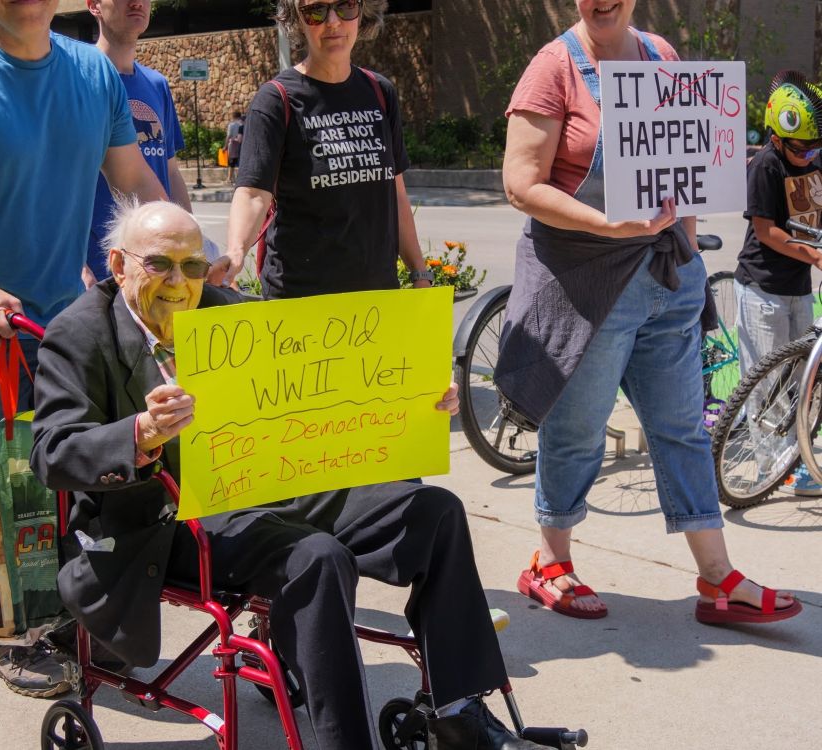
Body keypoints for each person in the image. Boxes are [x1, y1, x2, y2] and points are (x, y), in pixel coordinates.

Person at [30, 199, 552, 750]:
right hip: (169, 519)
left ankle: (458, 711)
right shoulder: (81, 334)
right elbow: (53, 451)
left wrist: (418, 399)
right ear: (119, 265)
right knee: (317, 557)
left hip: (271, 486)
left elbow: (324, 386)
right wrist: (139, 433)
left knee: (435, 513)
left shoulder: (224, 307)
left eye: (192, 266)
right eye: (159, 264)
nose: (179, 282)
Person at [0, 0, 168, 698]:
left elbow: (132, 178)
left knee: (79, 471)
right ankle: (6, 633)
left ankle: (76, 614)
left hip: (62, 321)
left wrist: (185, 251)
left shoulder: (90, 74)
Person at [497, 0, 802, 625]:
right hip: (587, 284)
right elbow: (520, 184)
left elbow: (684, 167)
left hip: (666, 277)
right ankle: (549, 563)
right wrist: (608, 225)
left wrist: (688, 258)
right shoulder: (553, 68)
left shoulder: (661, 56)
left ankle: (717, 578)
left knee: (682, 427)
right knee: (577, 430)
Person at [214, 0, 433, 297]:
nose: (333, 22)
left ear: (361, 12)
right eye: (316, 11)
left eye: (345, 7)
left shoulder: (380, 92)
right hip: (301, 300)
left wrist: (418, 271)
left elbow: (395, 193)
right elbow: (254, 192)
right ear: (298, 21)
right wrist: (236, 252)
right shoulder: (276, 100)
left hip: (377, 296)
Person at [734, 70, 822, 496]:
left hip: (799, 288)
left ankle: (796, 455)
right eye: (801, 148)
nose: (808, 155)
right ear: (776, 136)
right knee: (765, 380)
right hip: (762, 287)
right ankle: (774, 467)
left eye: (815, 147)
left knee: (798, 379)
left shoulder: (815, 160)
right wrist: (816, 254)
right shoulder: (766, 166)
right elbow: (767, 232)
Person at [84, 0, 192, 285]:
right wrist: (76, 264)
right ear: (93, 5)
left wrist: (193, 244)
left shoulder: (157, 84)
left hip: (155, 266)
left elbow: (169, 172)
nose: (136, 2)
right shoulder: (77, 77)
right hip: (95, 269)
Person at [225, 110, 243, 184]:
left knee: (231, 162)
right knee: (239, 162)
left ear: (233, 116)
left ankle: (229, 179)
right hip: (241, 145)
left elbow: (228, 136)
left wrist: (225, 146)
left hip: (232, 145)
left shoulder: (231, 125)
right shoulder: (242, 124)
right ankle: (237, 178)